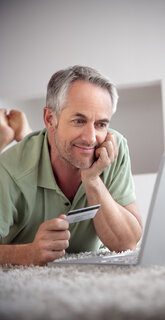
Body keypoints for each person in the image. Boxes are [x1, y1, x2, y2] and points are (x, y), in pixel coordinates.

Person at [0, 65, 143, 266]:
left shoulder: (113, 148)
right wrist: (28, 253)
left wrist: (92, 180)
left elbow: (128, 243)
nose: (91, 138)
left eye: (101, 124)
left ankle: (26, 134)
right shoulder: (8, 169)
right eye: (78, 120)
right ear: (50, 119)